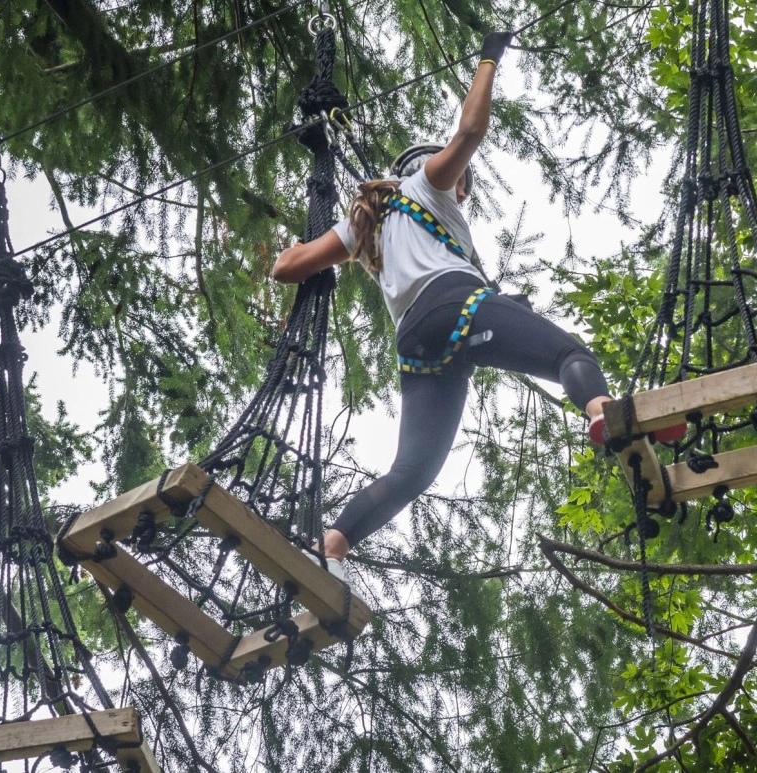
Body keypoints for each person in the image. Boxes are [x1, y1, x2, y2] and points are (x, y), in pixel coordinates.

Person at [272, 32, 678, 584]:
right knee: (567, 354)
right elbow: (470, 129)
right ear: (437, 171)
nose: (462, 190)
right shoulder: (427, 186)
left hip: (416, 342)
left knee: (412, 472)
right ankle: (602, 411)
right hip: (453, 303)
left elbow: (286, 269)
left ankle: (333, 546)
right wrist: (490, 57)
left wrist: (295, 246)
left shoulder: (362, 227)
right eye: (461, 181)